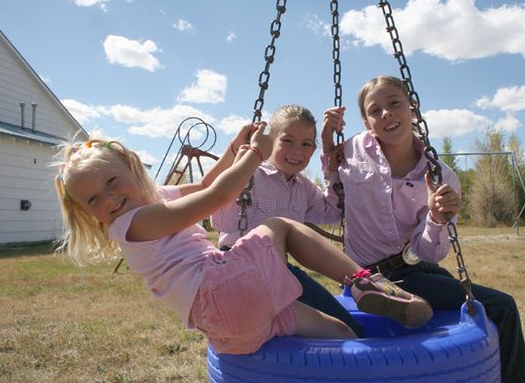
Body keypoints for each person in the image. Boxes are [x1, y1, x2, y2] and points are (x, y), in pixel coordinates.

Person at [53, 122, 431, 355]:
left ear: (132, 168)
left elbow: (204, 183)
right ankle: (364, 282)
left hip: (224, 323)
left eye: (111, 183)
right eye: (94, 200)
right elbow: (217, 197)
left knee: (341, 333)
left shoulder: (157, 199)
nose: (109, 199)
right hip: (218, 287)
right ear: (88, 213)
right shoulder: (133, 223)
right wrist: (255, 155)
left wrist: (235, 147)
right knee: (282, 225)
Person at [322, 75, 525, 383]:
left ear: (413, 107)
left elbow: (428, 253)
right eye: (375, 110)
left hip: (413, 269)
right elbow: (333, 182)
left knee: (472, 296)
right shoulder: (353, 150)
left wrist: (436, 217)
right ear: (367, 122)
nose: (386, 114)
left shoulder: (439, 177)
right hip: (368, 272)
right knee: (502, 307)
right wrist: (328, 140)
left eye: (394, 103)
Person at [213, 105, 430, 335]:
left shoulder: (303, 187)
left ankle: (371, 291)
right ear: (269, 142)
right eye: (287, 141)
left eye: (306, 144)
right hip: (238, 271)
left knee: (350, 327)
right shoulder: (252, 174)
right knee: (325, 331)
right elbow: (220, 221)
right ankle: (363, 285)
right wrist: (242, 163)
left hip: (280, 271)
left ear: (313, 149)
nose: (297, 151)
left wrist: (332, 167)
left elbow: (333, 210)